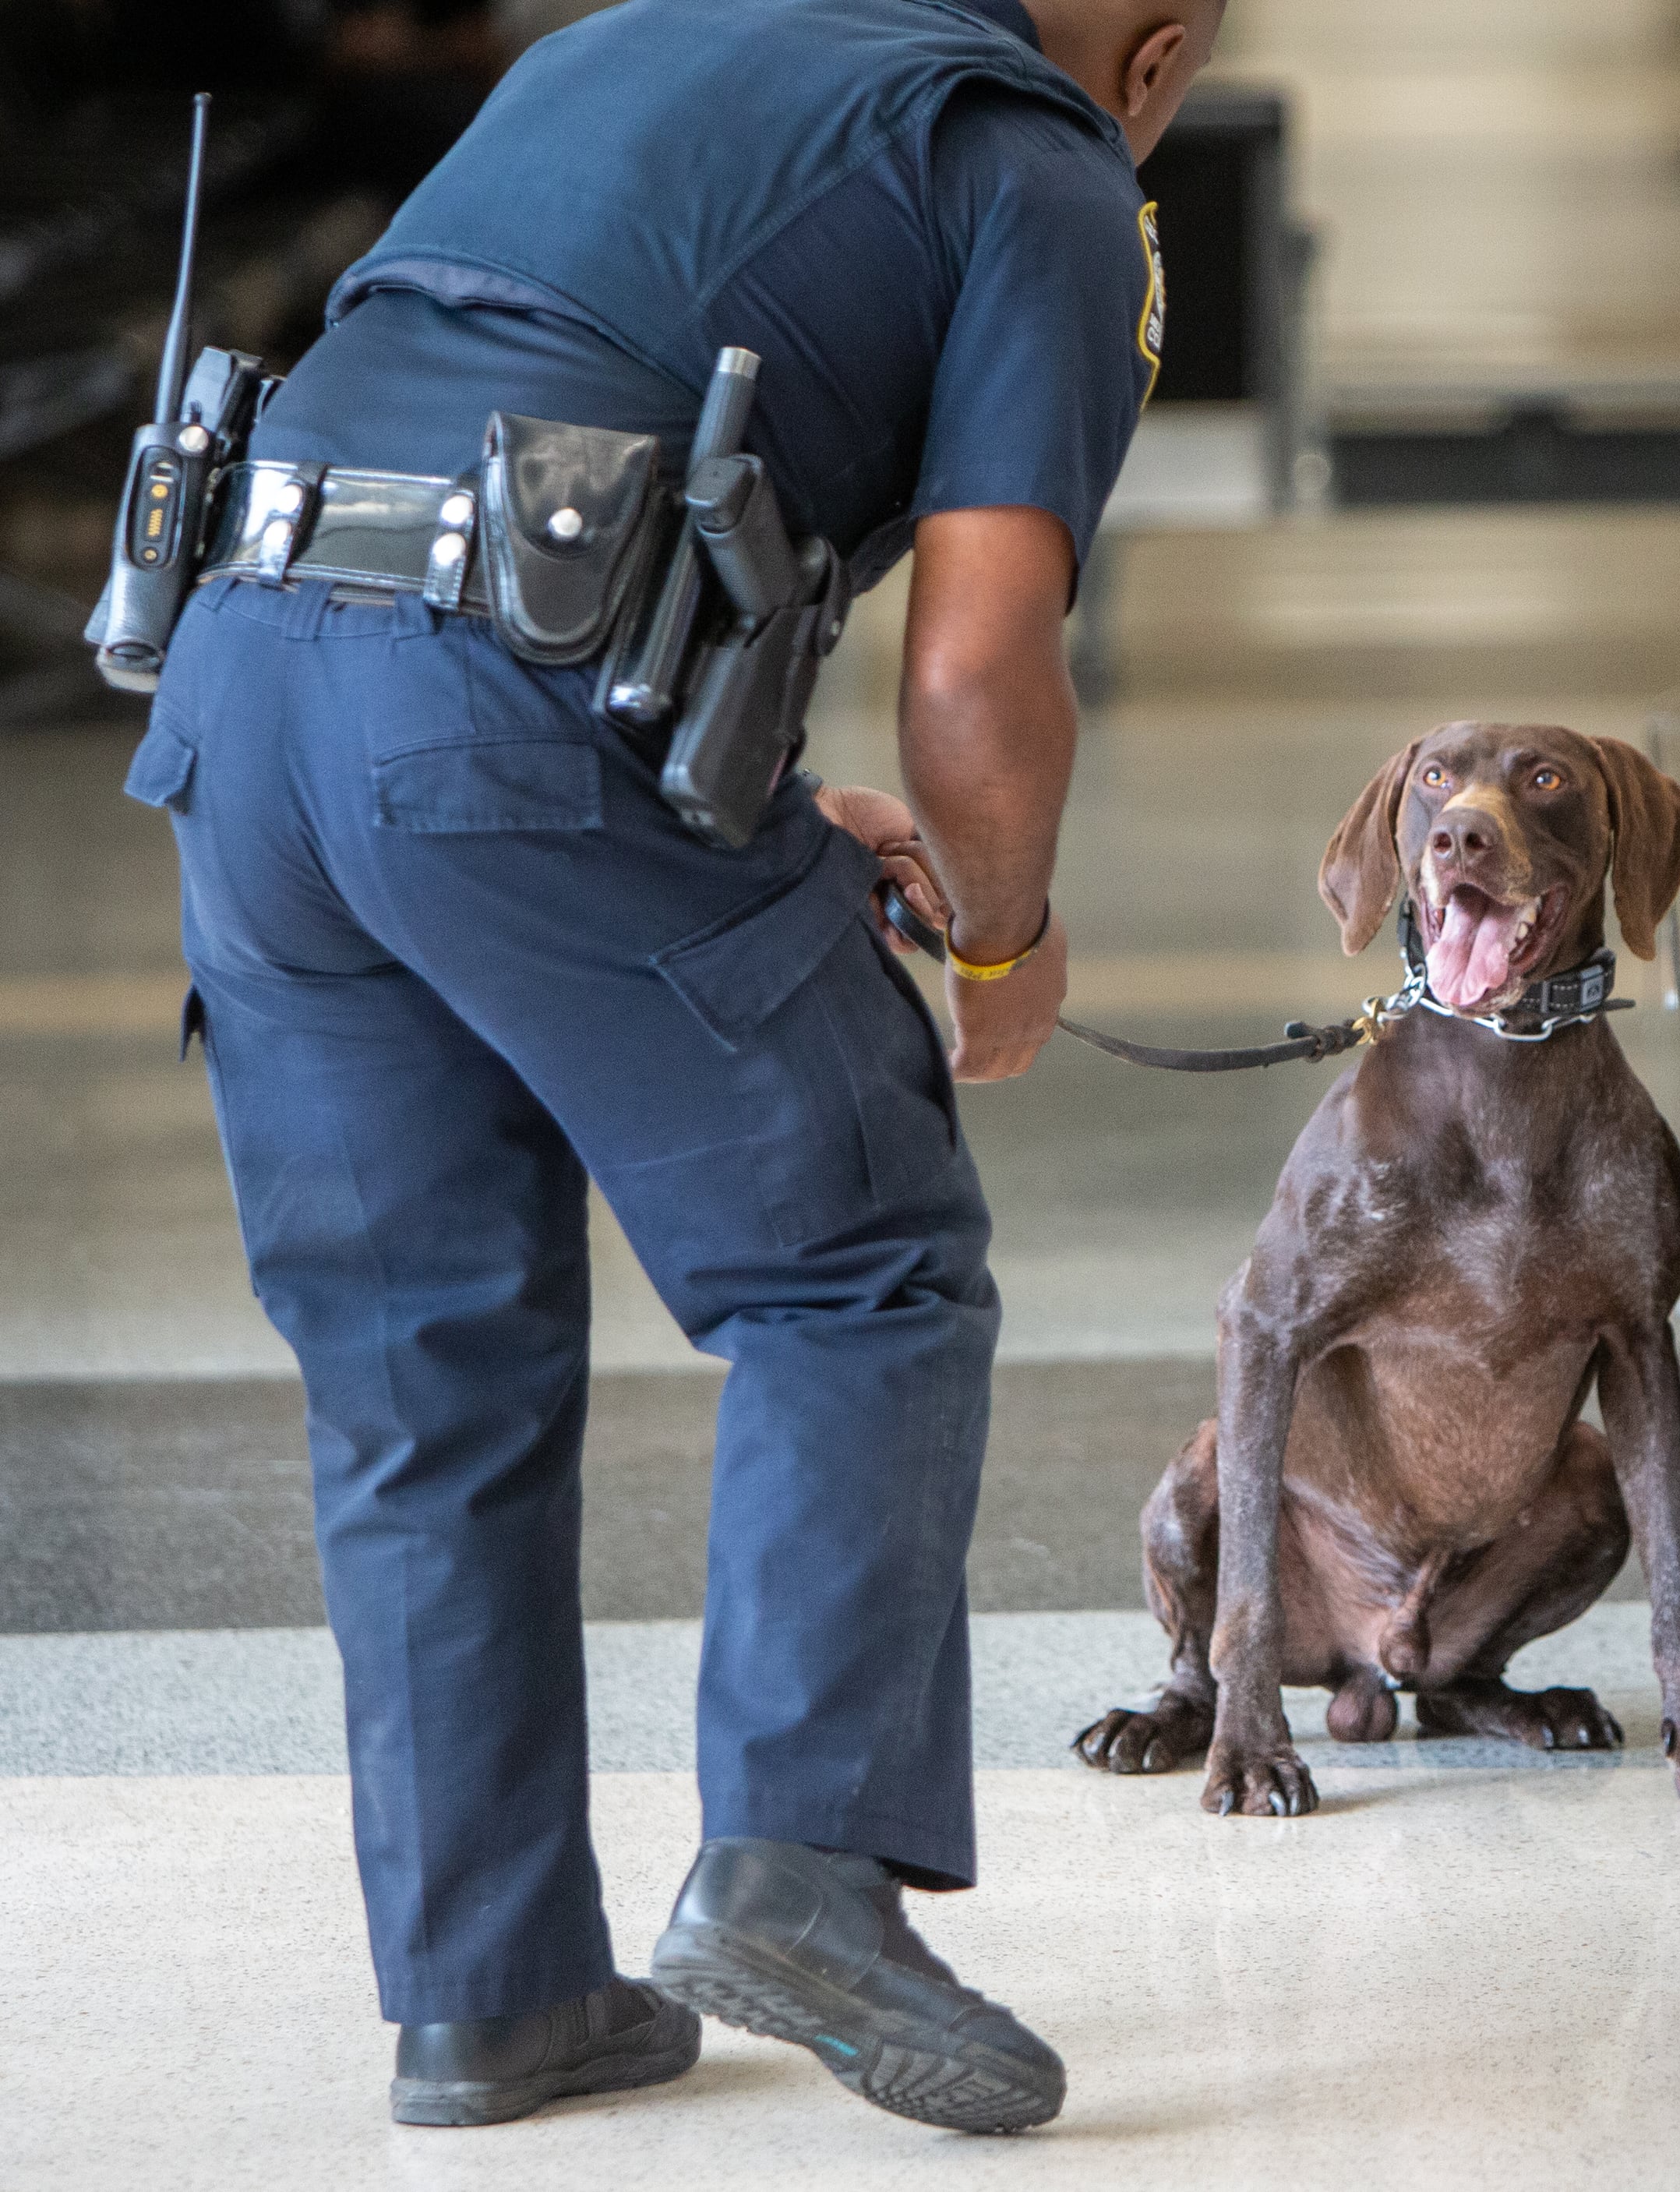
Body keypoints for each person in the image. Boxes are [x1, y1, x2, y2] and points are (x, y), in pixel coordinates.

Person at [124, 0, 1224, 2136]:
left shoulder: (623, 41)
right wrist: (1003, 934)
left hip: (248, 682)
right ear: (1158, 55)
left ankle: (491, 1995)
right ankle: (803, 1863)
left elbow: (535, 438)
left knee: (416, 1360)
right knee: (863, 1269)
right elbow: (985, 657)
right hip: (494, 722)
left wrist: (732, 812)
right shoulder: (1044, 161)